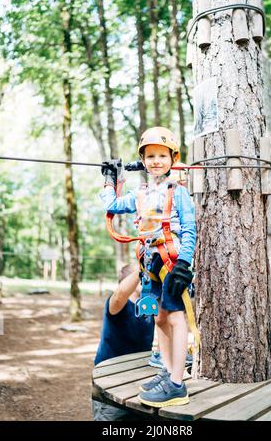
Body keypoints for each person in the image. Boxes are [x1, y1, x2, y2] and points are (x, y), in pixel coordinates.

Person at [100, 127, 196, 408]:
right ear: (143, 160)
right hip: (150, 264)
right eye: (150, 156)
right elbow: (113, 204)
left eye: (161, 155)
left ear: (172, 158)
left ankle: (177, 384)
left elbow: (189, 229)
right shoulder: (140, 194)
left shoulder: (178, 192)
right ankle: (168, 371)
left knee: (176, 318)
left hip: (172, 263)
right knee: (160, 318)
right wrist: (110, 179)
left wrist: (184, 265)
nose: (156, 161)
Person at [92, 263, 154, 421]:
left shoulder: (148, 306)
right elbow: (120, 294)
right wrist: (144, 265)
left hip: (139, 382)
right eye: (143, 276)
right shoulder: (117, 304)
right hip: (111, 383)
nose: (148, 279)